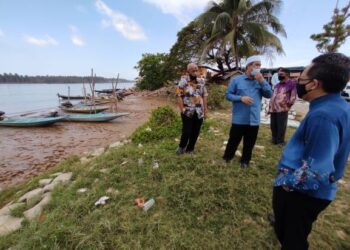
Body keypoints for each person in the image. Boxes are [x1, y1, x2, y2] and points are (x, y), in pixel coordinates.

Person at [272, 52, 350, 249]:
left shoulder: (322, 116)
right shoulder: (341, 106)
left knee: (292, 239)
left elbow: (315, 173)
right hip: (319, 192)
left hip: (301, 195)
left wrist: (285, 183)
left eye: (302, 78)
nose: (298, 82)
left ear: (314, 84)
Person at [223, 55, 273, 168]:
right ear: (248, 66)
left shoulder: (260, 81)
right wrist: (241, 98)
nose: (258, 67)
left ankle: (245, 161)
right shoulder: (236, 80)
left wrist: (262, 81)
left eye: (260, 65)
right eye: (256, 65)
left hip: (253, 119)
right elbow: (228, 95)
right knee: (233, 140)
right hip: (239, 118)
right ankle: (227, 157)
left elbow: (269, 94)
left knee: (250, 143)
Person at [176, 63, 208, 154]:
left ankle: (190, 149)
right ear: (188, 71)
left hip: (199, 111)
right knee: (186, 131)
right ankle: (181, 147)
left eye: (196, 69)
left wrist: (205, 111)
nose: (195, 71)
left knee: (196, 131)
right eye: (193, 70)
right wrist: (182, 109)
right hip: (187, 110)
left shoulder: (201, 81)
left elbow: (204, 95)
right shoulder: (183, 80)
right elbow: (179, 95)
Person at [268, 67, 297, 147]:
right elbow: (274, 95)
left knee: (281, 126)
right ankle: (274, 139)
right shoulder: (277, 85)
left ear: (287, 75)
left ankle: (280, 141)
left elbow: (293, 96)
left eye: (281, 74)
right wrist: (270, 106)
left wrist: (287, 105)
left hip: (282, 108)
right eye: (278, 74)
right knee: (273, 125)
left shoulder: (291, 84)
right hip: (273, 108)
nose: (279, 76)